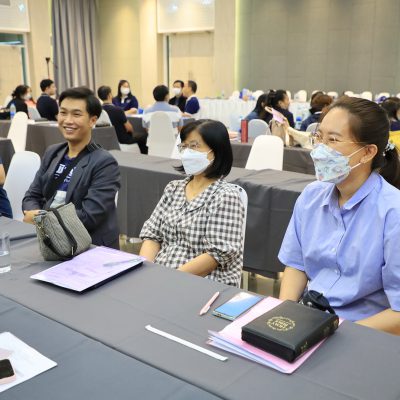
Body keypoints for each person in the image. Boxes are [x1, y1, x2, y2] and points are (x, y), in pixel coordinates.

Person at [278, 96, 400, 335]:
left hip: (361, 333)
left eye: (332, 140)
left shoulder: (392, 212)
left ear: (367, 152)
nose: (320, 149)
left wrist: (332, 334)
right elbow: (296, 264)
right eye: (319, 137)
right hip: (309, 320)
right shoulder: (311, 196)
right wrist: (285, 314)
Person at [139, 120, 245, 287]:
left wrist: (166, 280)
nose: (188, 153)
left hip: (204, 284)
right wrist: (145, 272)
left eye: (194, 146)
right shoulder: (174, 188)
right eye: (184, 146)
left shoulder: (226, 196)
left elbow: (215, 255)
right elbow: (152, 235)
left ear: (216, 151)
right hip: (161, 276)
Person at [22, 87, 121, 249]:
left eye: (76, 114)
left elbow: (89, 216)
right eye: (63, 113)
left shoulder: (104, 163)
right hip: (48, 241)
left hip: (87, 246)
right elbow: (31, 196)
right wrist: (36, 214)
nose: (68, 120)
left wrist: (40, 219)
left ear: (92, 120)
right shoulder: (53, 152)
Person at [98, 85, 148, 154]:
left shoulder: (98, 111)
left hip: (107, 140)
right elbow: (129, 128)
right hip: (122, 139)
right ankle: (144, 157)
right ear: (109, 95)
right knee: (143, 137)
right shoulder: (118, 110)